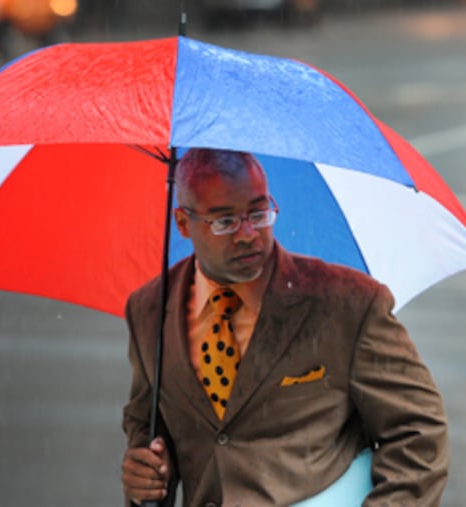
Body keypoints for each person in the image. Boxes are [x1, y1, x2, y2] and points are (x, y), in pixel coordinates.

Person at [120, 148, 449, 506]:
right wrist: (146, 477)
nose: (248, 234)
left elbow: (418, 434)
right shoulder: (149, 309)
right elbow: (146, 430)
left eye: (259, 213)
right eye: (225, 221)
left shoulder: (347, 303)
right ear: (183, 223)